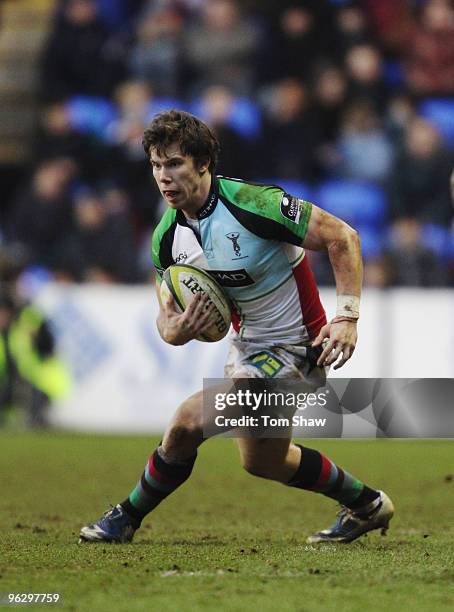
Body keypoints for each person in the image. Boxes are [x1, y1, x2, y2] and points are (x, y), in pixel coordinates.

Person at [79, 110, 394, 545]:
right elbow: (166, 324)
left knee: (188, 421)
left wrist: (347, 316)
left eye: (174, 164)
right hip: (248, 347)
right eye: (155, 165)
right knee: (263, 461)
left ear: (203, 163)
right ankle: (367, 504)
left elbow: (343, 237)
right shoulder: (166, 238)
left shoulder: (254, 205)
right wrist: (179, 328)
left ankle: (125, 517)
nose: (163, 177)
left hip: (299, 347)